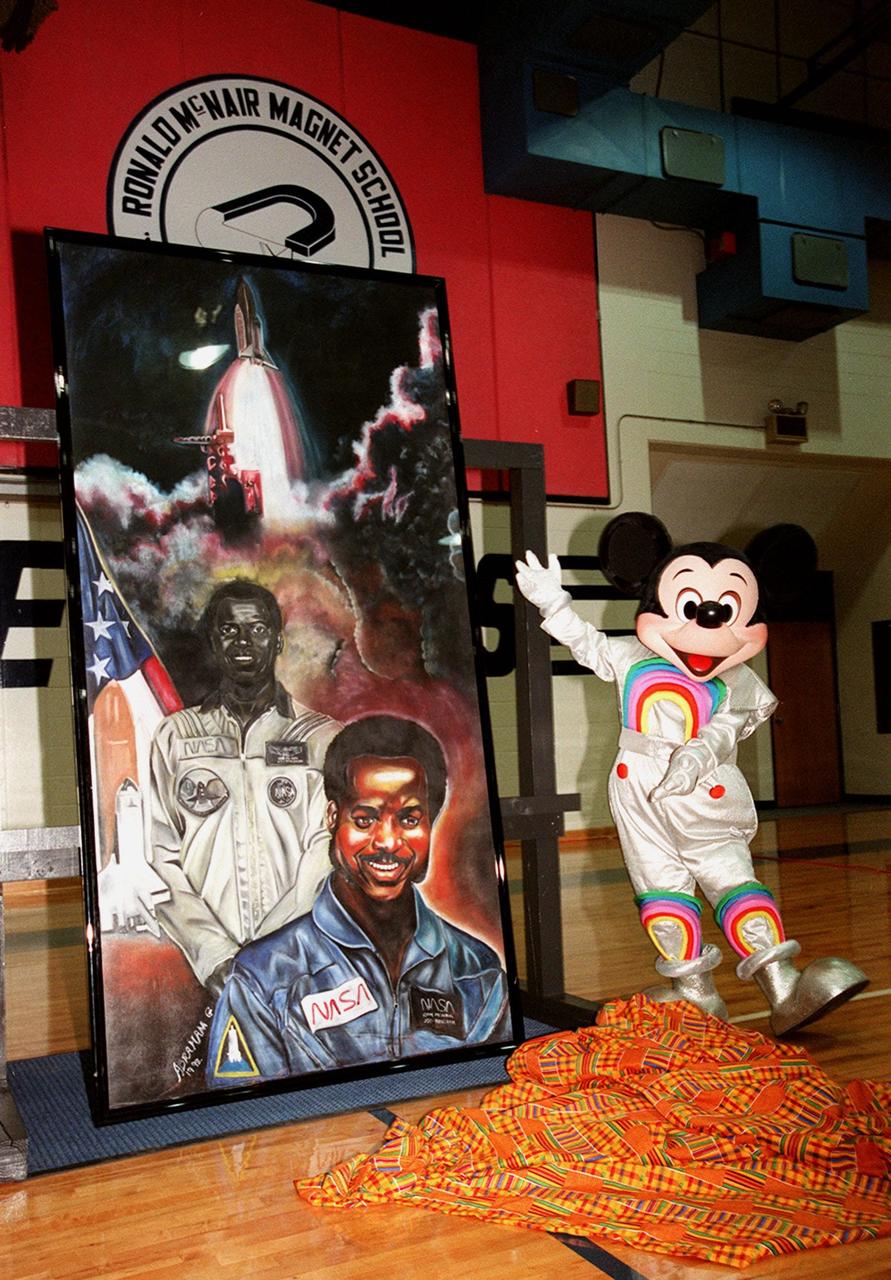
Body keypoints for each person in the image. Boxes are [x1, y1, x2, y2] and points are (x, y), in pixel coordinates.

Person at [205, 715, 511, 1084]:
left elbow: (493, 1085)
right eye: (365, 820)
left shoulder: (477, 971)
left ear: (431, 822)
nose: (388, 842)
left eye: (409, 819)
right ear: (332, 817)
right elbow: (244, 1109)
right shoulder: (261, 979)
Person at [150, 579, 341, 995]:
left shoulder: (321, 737)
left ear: (278, 641)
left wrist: (270, 953)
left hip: (302, 961)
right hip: (203, 972)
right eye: (228, 629)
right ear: (212, 642)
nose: (243, 641)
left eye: (257, 629)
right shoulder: (175, 737)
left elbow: (326, 852)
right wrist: (214, 953)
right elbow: (158, 856)